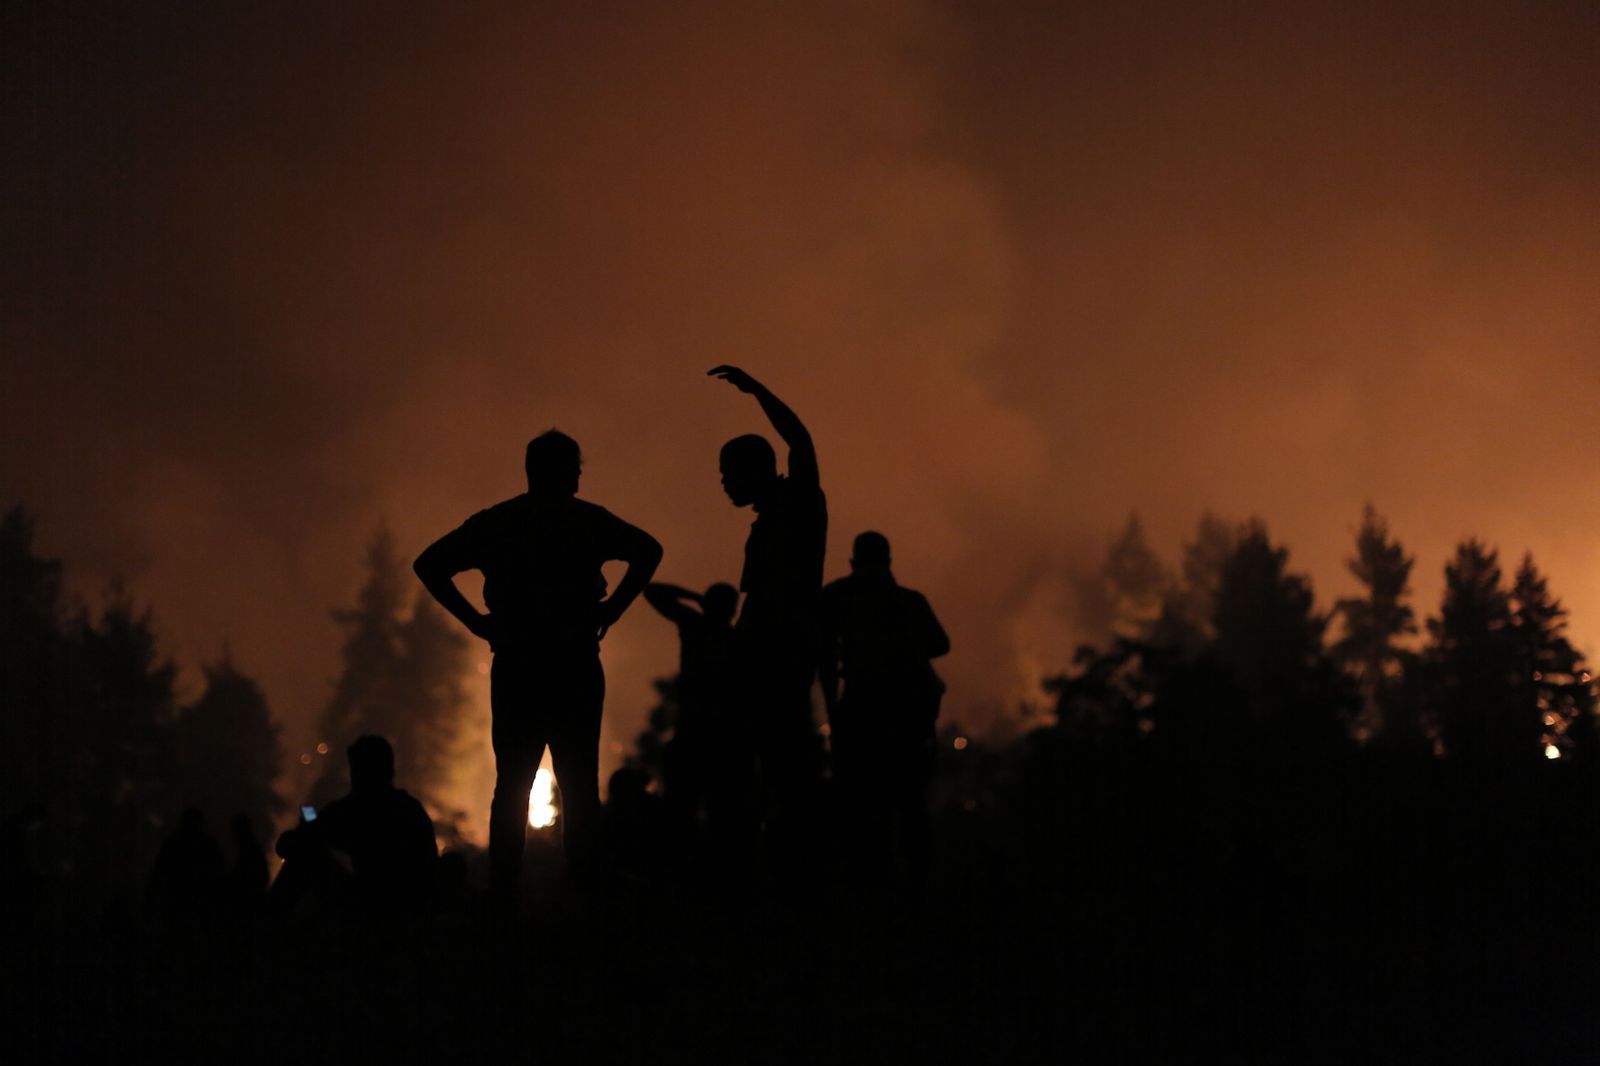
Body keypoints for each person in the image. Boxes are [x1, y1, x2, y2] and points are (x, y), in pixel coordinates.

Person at [415, 429, 662, 899]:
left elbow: (429, 563)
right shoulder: (586, 521)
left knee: (511, 785)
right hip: (574, 663)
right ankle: (586, 898)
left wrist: (477, 622)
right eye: (576, 468)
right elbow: (649, 550)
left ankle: (503, 898)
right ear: (568, 472)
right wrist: (611, 610)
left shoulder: (499, 523)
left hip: (518, 665)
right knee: (579, 786)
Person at [707, 366, 827, 872]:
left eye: (730, 474)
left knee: (778, 772)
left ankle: (785, 872)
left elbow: (800, 440)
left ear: (756, 470)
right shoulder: (773, 517)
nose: (725, 485)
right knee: (760, 774)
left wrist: (757, 392)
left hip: (780, 659)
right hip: (762, 659)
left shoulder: (799, 502)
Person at [819, 531, 950, 894]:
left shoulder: (838, 596)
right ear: (889, 561)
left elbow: (825, 659)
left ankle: (872, 888)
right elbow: (939, 644)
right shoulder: (909, 601)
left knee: (863, 805)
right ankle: (912, 889)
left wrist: (834, 709)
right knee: (909, 803)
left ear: (853, 561)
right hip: (907, 715)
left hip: (863, 712)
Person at [642, 581, 751, 862]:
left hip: (696, 732)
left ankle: (685, 868)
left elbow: (653, 591)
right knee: (720, 811)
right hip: (725, 736)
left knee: (683, 808)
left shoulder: (695, 626)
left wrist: (695, 596)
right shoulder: (737, 639)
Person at [273, 735, 437, 918]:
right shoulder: (411, 810)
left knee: (308, 856)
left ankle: (266, 925)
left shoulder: (351, 811)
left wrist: (308, 835)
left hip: (369, 907)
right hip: (406, 910)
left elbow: (288, 846)